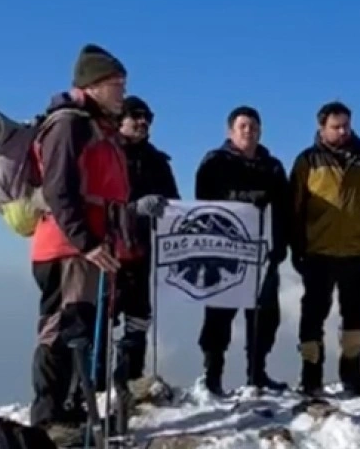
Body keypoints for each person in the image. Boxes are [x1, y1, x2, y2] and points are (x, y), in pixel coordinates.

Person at [29, 45, 165, 442]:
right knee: (62, 330)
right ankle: (49, 419)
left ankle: (70, 412)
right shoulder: (69, 124)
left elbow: (101, 195)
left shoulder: (96, 126)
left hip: (87, 247)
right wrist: (87, 242)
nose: (122, 91)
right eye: (115, 84)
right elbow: (59, 189)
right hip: (68, 247)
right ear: (92, 85)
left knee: (81, 330)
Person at [291, 101, 360, 397]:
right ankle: (311, 377)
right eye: (336, 126)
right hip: (318, 252)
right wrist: (296, 245)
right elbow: (294, 207)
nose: (343, 131)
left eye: (346, 124)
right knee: (312, 316)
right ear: (322, 127)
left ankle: (352, 372)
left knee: (355, 316)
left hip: (356, 251)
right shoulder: (308, 161)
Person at [193, 105, 291, 394]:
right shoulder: (214, 163)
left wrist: (281, 248)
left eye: (254, 127)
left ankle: (256, 373)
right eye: (243, 126)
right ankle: (213, 376)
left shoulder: (271, 167)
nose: (249, 131)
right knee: (219, 316)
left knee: (265, 316)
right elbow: (202, 206)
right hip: (223, 253)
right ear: (230, 131)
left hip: (262, 254)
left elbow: (283, 210)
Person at [97, 96, 180, 393]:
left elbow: (175, 205)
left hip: (141, 250)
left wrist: (164, 207)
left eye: (148, 117)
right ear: (121, 119)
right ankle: (94, 388)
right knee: (100, 323)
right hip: (103, 252)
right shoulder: (104, 154)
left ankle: (130, 381)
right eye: (136, 116)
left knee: (138, 319)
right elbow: (94, 202)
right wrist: (133, 208)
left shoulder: (157, 161)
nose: (143, 122)